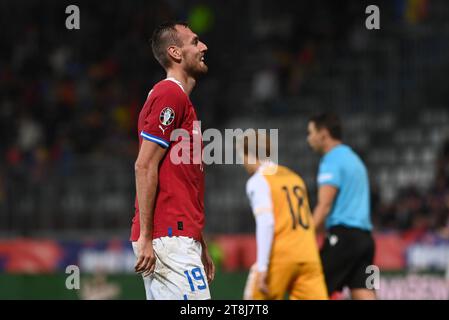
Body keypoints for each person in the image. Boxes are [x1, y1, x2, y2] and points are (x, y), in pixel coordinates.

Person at [130, 21, 214, 300]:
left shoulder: (180, 101)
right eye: (195, 42)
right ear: (176, 53)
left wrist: (198, 241)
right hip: (169, 236)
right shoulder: (170, 94)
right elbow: (144, 165)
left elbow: (180, 181)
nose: (203, 47)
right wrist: (146, 236)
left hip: (177, 235)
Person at [241, 133, 328, 300]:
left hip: (281, 256)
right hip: (308, 255)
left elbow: (266, 222)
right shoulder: (294, 177)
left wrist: (262, 266)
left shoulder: (258, 181)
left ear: (250, 155)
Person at [307, 112, 376, 300]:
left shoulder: (331, 160)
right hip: (366, 241)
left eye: (311, 132)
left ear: (323, 134)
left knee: (311, 290)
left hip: (343, 239)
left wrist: (306, 236)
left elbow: (325, 205)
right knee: (365, 292)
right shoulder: (355, 159)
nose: (309, 138)